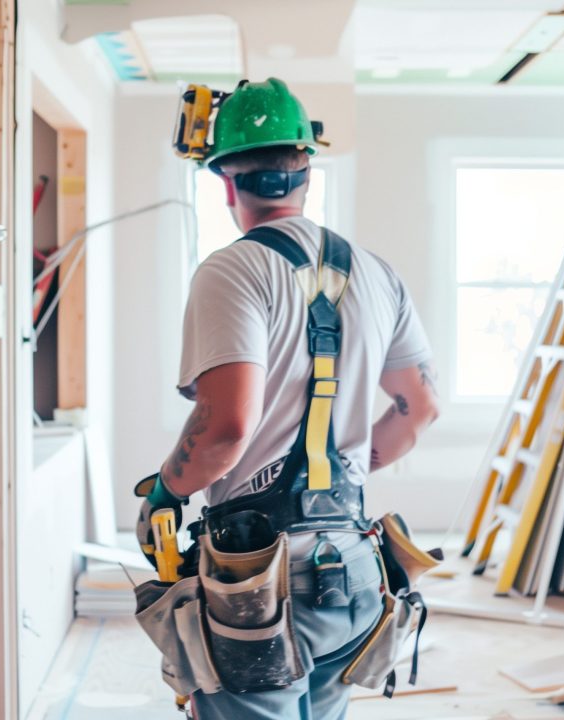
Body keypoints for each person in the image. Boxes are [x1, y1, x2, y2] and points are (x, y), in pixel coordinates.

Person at [136, 77, 439, 720]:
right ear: (306, 168)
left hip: (259, 583)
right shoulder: (377, 273)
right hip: (354, 566)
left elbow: (225, 428)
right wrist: (339, 467)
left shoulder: (233, 269)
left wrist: (168, 488)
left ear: (225, 182)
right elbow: (418, 409)